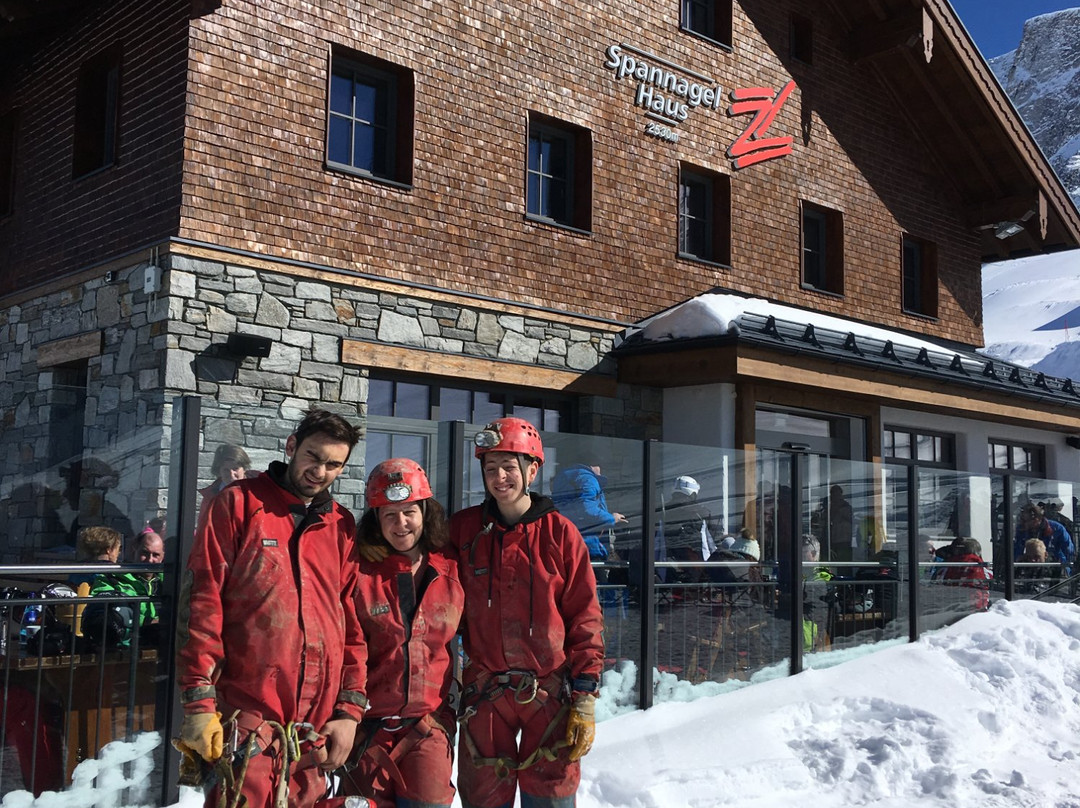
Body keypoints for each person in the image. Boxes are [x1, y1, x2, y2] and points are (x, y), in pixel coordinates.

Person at [175, 408, 365, 808]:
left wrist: (348, 712)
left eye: (334, 464)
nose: (321, 471)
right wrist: (199, 702)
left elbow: (351, 626)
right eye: (313, 457)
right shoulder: (238, 504)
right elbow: (202, 603)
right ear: (292, 446)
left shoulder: (340, 524)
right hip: (249, 725)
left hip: (313, 733)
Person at [455, 417, 604, 808]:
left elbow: (584, 617)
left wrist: (585, 694)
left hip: (549, 695)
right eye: (490, 468)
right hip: (484, 696)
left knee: (550, 798)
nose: (499, 477)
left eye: (509, 467)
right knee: (483, 799)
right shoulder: (463, 532)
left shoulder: (561, 535)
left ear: (532, 470)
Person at [343, 458, 463, 808]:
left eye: (409, 511)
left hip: (427, 728)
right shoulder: (358, 574)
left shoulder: (451, 571)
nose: (400, 524)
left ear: (425, 511)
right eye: (389, 514)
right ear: (376, 520)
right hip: (367, 732)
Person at [84, 528, 165, 648]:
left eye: (156, 555)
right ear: (134, 551)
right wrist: (147, 622)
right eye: (145, 553)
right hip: (124, 648)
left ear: (163, 557)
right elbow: (105, 614)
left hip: (163, 650)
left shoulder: (171, 581)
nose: (150, 560)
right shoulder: (111, 577)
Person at [550, 461, 627, 563]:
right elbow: (588, 509)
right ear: (592, 465)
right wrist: (612, 518)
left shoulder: (565, 479)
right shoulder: (587, 479)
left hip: (568, 541)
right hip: (588, 545)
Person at [658, 474, 718, 585]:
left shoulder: (662, 512)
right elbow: (713, 540)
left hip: (666, 564)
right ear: (693, 493)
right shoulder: (701, 512)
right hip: (698, 566)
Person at [1013, 502, 1074, 574]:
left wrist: (1065, 567)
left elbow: (1068, 549)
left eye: (1026, 521)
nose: (1023, 523)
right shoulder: (1021, 530)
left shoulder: (1056, 528)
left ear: (1036, 519)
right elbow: (1017, 548)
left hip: (1054, 566)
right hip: (1029, 567)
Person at [198, 443, 252, 518]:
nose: (231, 474)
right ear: (219, 471)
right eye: (226, 470)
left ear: (245, 468)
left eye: (235, 468)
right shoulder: (211, 497)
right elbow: (204, 526)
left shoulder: (259, 490)